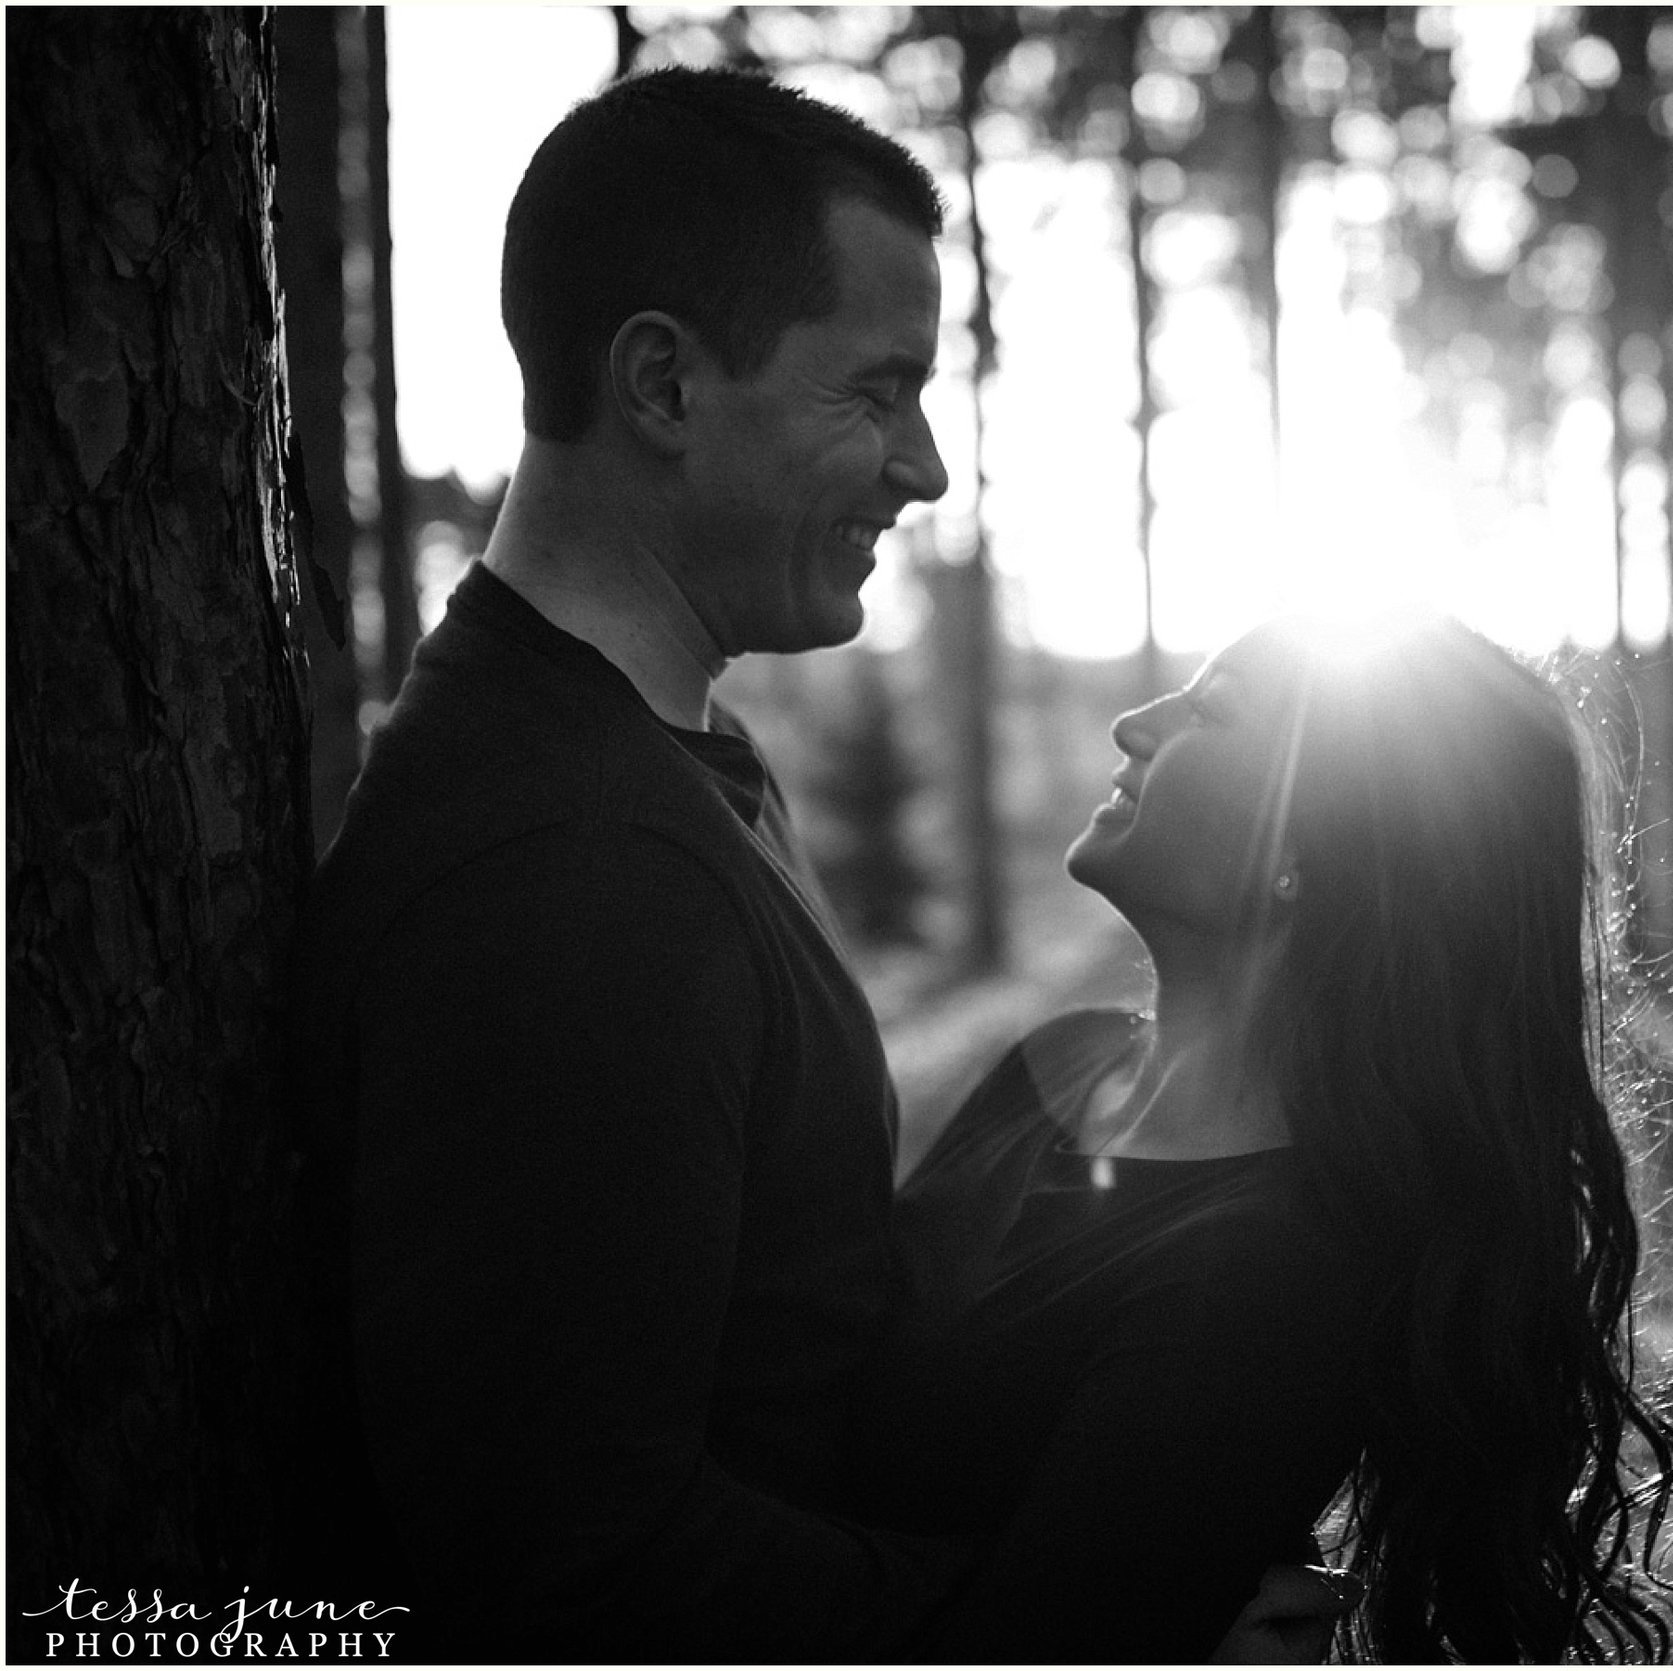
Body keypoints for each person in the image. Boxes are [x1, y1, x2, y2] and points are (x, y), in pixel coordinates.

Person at [285, 68, 1347, 1662]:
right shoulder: (573, 874)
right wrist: (1116, 1631)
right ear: (662, 384)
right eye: (874, 389)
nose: (921, 468)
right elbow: (563, 1568)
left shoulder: (652, 756)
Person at [823, 615, 1673, 1662]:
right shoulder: (1058, 1063)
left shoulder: (1266, 1272)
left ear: (1305, 850)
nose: (1135, 724)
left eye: (1209, 710)